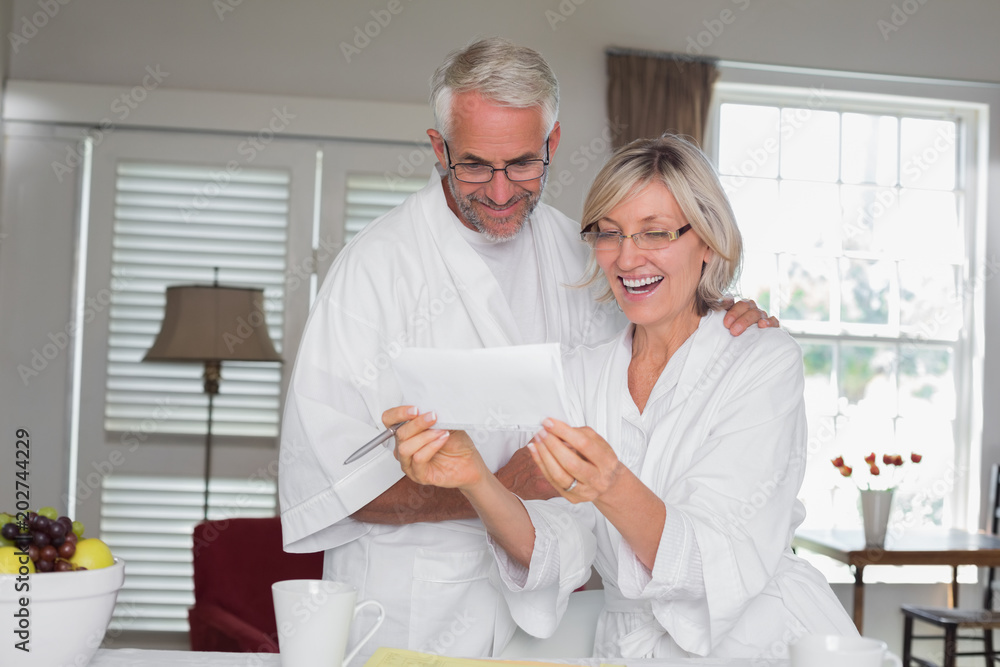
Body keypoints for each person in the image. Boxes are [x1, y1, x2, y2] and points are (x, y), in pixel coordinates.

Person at [278, 39, 774, 661]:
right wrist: (494, 486)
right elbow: (331, 485)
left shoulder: (589, 252)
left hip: (557, 606)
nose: (502, 190)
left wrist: (716, 306)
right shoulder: (373, 272)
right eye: (475, 166)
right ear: (439, 149)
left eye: (522, 164)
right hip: (410, 609)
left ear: (552, 144)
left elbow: (657, 326)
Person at [388, 134, 857, 660]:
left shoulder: (759, 360)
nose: (628, 258)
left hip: (758, 642)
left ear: (707, 240)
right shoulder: (580, 373)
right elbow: (558, 546)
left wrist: (610, 485)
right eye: (608, 234)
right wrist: (475, 479)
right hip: (629, 646)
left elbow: (714, 563)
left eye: (655, 232)